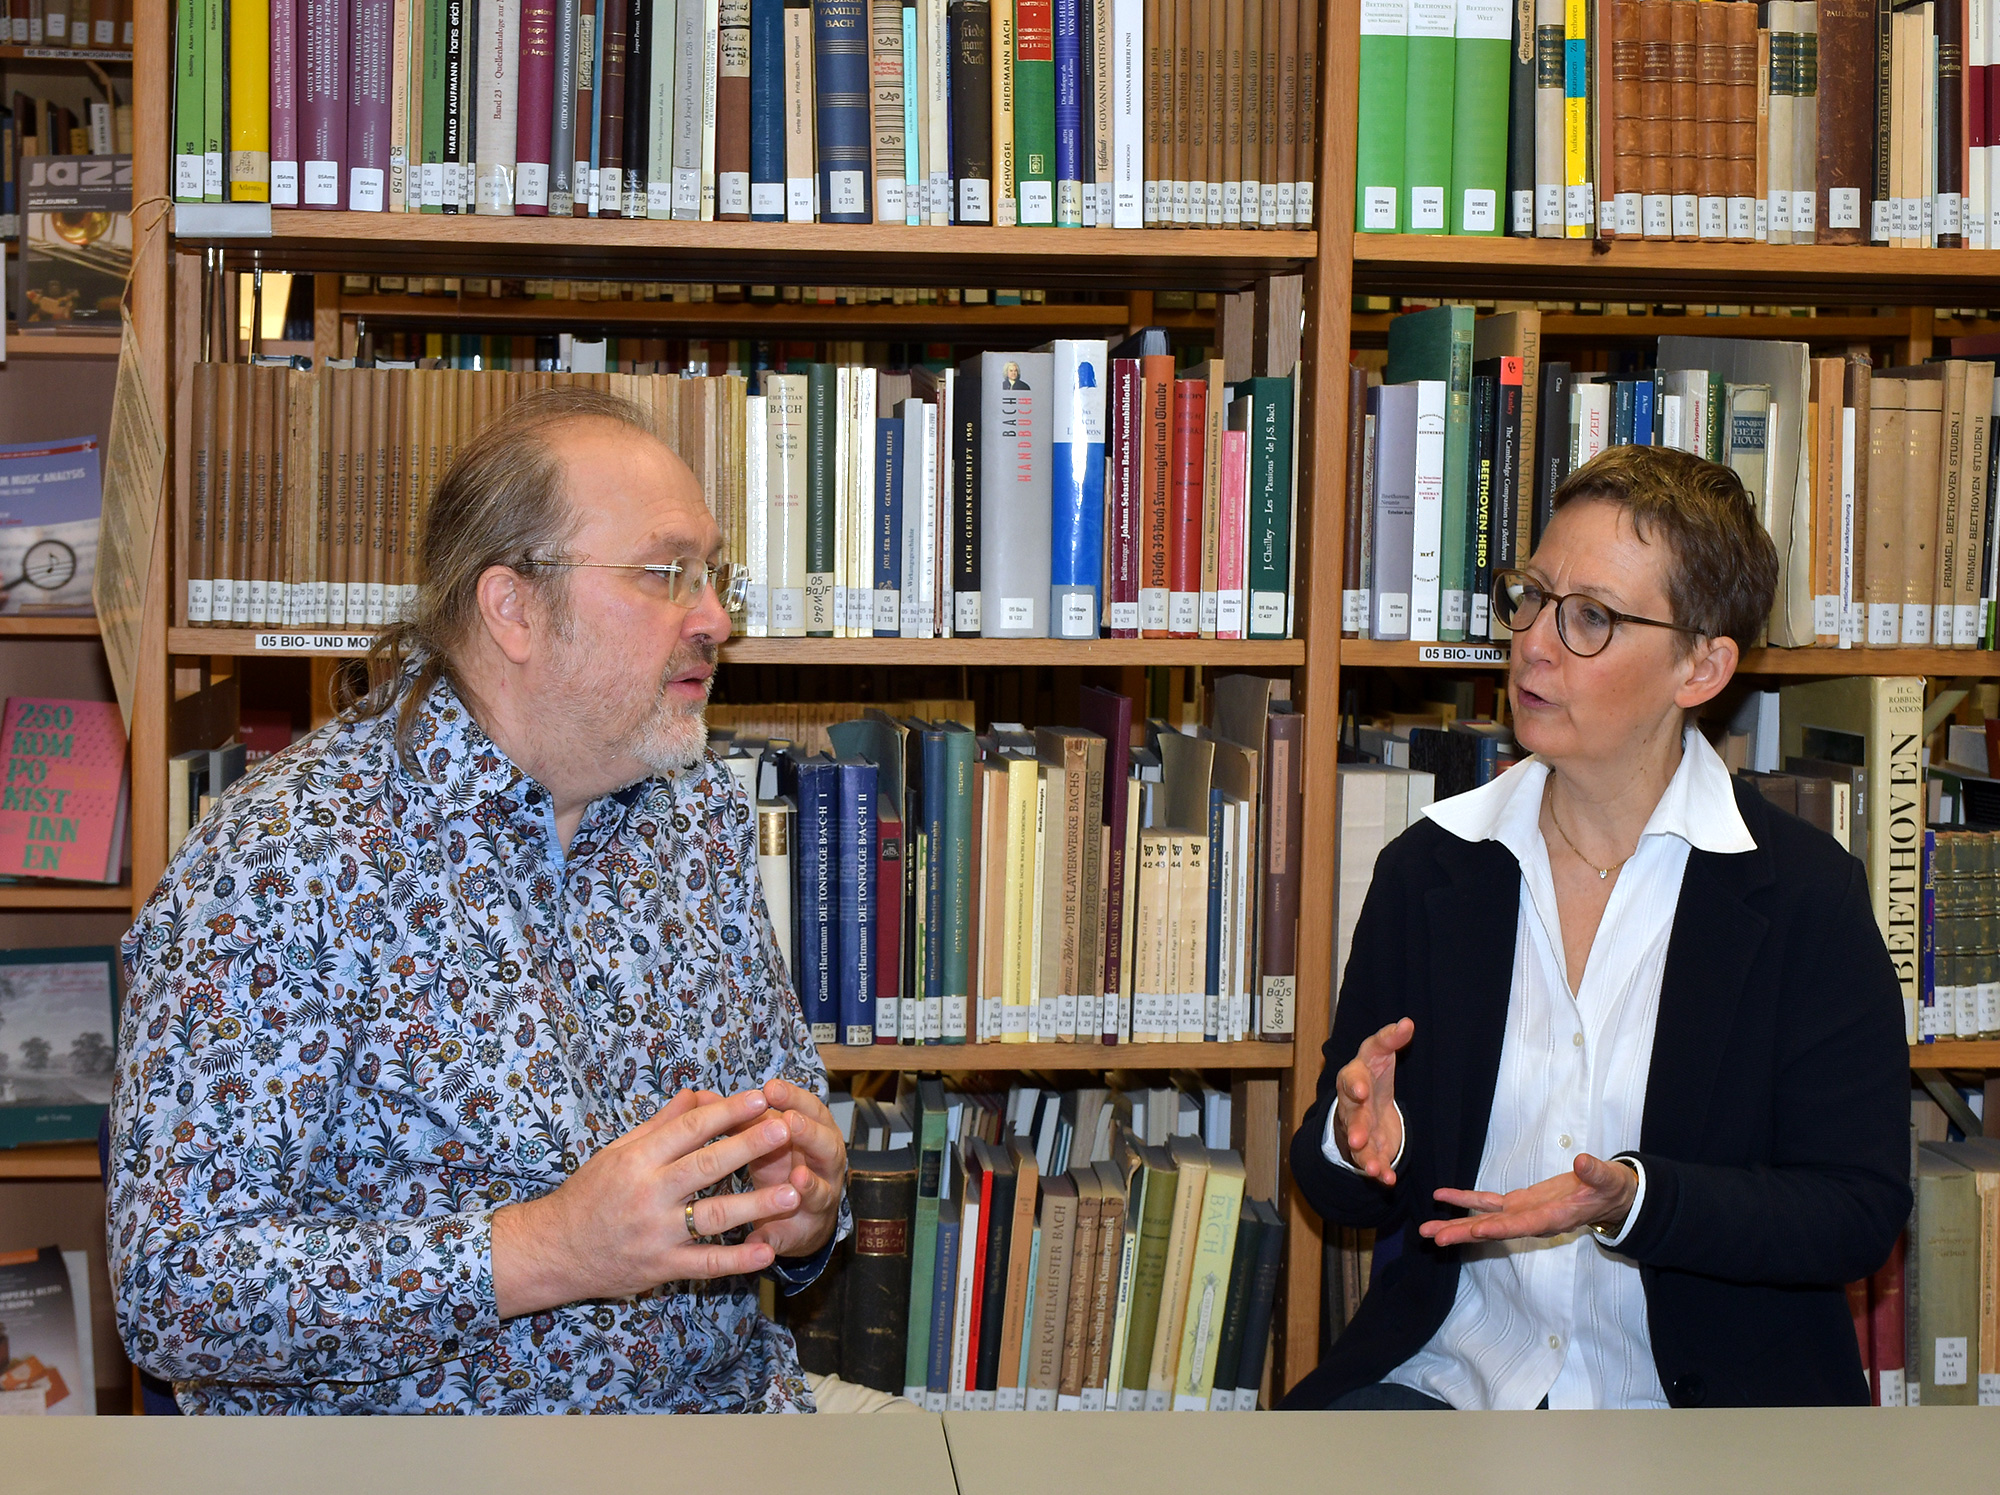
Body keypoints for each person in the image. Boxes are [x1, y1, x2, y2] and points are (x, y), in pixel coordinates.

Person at [108, 388, 861, 1414]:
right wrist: (549, 1249)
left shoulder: (696, 817)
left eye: (711, 573)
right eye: (663, 574)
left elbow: (787, 1175)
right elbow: (175, 1290)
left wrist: (807, 1208)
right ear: (511, 607)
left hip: (727, 1430)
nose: (714, 617)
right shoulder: (284, 862)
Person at [1286, 445, 1910, 1411]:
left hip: (1701, 1414)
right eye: (1531, 597)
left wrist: (1637, 1199)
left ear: (1700, 666)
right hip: (1456, 1385)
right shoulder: (1432, 867)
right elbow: (1340, 1184)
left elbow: (1856, 1212)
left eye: (1592, 619)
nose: (1534, 642)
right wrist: (1361, 1136)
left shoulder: (1803, 897)